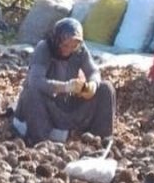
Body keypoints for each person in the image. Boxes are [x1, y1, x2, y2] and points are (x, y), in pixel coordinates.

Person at [13, 17, 116, 145]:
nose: (69, 49)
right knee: (32, 92)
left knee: (105, 88)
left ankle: (100, 138)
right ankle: (40, 141)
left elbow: (94, 71)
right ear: (57, 41)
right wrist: (66, 87)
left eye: (73, 46)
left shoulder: (80, 50)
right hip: (46, 106)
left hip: (66, 104)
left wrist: (92, 86)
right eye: (65, 45)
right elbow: (36, 81)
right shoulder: (44, 48)